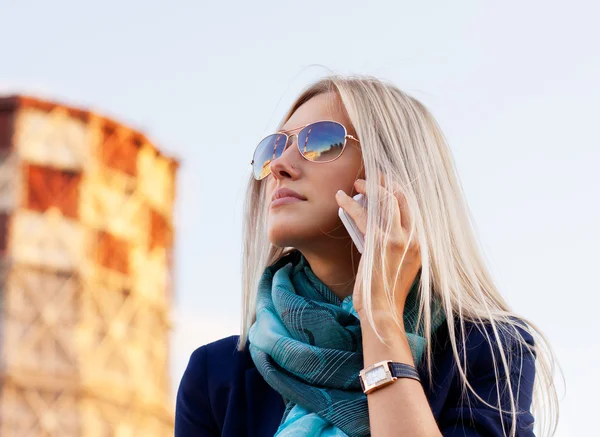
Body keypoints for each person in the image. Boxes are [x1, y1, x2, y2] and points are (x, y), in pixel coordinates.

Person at [175, 75, 560, 437]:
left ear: (390, 173)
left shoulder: (484, 351)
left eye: (319, 142)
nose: (279, 166)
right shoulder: (216, 375)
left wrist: (380, 316)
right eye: (274, 147)